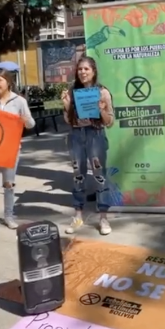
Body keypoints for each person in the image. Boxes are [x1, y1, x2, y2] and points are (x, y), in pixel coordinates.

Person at [60, 56, 115, 236]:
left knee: (99, 176)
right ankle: (78, 216)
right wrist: (67, 105)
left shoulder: (102, 92)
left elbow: (110, 122)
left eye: (86, 69)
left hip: (95, 135)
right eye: (80, 69)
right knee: (78, 176)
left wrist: (101, 109)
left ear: (93, 71)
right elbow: (69, 120)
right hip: (76, 136)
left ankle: (103, 218)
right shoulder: (72, 92)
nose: (83, 72)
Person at [0, 68, 36, 234]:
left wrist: (25, 119)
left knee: (9, 185)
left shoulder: (19, 101)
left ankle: (9, 216)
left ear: (8, 82)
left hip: (11, 150)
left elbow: (31, 124)